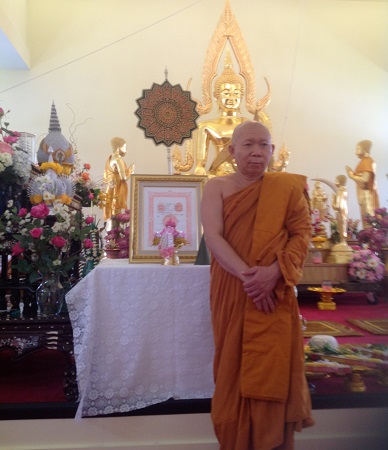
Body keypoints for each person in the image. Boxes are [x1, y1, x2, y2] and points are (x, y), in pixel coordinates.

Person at [201, 121, 314, 449]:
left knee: (271, 365)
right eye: (248, 145)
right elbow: (215, 238)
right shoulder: (217, 187)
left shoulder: (286, 189)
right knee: (232, 365)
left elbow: (301, 234)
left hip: (274, 289)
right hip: (233, 288)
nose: (256, 152)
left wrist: (275, 272)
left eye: (263, 145)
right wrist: (251, 277)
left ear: (272, 151)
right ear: (232, 150)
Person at [194, 53, 249, 177]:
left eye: (236, 93)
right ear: (216, 95)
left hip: (245, 178)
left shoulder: (249, 125)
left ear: (242, 96)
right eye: (226, 92)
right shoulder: (206, 126)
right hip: (217, 176)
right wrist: (202, 172)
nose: (231, 97)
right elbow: (200, 167)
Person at [345, 140, 379, 228]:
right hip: (362, 195)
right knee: (365, 220)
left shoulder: (368, 161)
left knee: (369, 220)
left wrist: (351, 175)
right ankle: (367, 239)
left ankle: (372, 240)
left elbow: (365, 180)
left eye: (357, 149)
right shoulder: (362, 162)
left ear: (364, 149)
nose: (355, 152)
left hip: (367, 195)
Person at [102, 137, 134, 222]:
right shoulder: (117, 159)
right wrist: (131, 170)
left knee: (112, 214)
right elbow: (123, 178)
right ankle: (115, 231)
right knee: (116, 212)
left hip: (110, 189)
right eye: (124, 147)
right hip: (116, 190)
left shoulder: (111, 158)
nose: (126, 150)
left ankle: (111, 231)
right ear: (118, 147)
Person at [331, 175, 348, 245]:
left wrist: (332, 200)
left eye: (336, 180)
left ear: (340, 182)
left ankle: (342, 242)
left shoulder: (341, 191)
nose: (335, 182)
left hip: (341, 212)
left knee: (341, 227)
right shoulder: (343, 190)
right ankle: (342, 241)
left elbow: (338, 205)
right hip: (342, 211)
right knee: (341, 226)